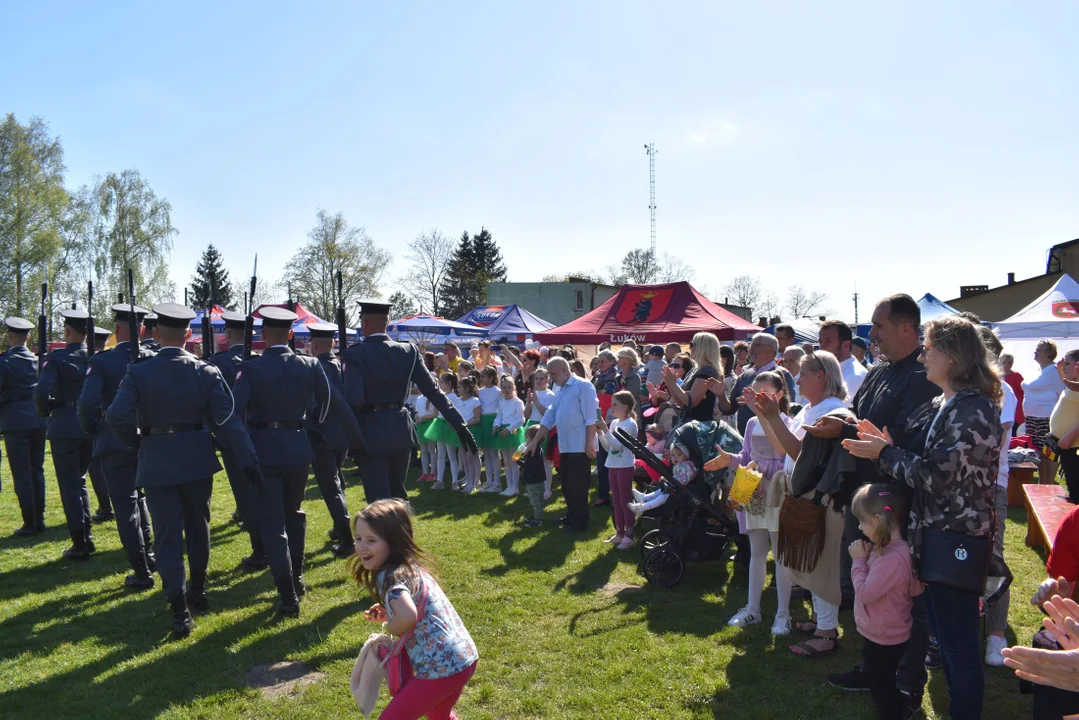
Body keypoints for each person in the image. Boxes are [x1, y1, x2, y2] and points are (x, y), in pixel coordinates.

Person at [844, 316, 1004, 720]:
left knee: (959, 647)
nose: (923, 355)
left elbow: (938, 477)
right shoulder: (945, 403)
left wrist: (883, 453)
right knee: (948, 644)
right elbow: (927, 462)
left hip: (955, 541)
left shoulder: (973, 409)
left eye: (930, 348)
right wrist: (886, 446)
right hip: (934, 539)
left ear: (953, 355)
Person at [816, 294, 940, 710]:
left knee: (899, 592)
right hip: (865, 494)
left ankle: (905, 683)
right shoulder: (880, 370)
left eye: (880, 327)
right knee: (865, 574)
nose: (874, 335)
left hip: (899, 498)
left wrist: (864, 434)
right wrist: (842, 422)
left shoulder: (922, 374)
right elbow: (861, 413)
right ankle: (873, 669)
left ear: (907, 328)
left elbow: (904, 434)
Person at [106, 303, 260, 637]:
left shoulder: (139, 371)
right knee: (198, 526)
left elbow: (115, 416)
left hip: (158, 457)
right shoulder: (205, 371)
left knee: (167, 535)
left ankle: (179, 608)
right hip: (195, 457)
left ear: (156, 334)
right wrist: (247, 457)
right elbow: (227, 420)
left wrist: (138, 442)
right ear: (189, 334)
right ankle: (198, 590)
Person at [233, 306, 363, 616]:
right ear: (291, 334)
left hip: (264, 449)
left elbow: (235, 412)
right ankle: (298, 576)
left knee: (273, 522)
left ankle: (288, 593)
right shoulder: (309, 365)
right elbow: (331, 401)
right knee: (294, 513)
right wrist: (311, 424)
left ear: (263, 336)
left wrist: (245, 448)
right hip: (296, 447)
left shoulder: (251, 368)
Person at [752, 350, 853, 659]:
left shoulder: (835, 412)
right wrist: (764, 415)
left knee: (821, 564)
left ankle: (826, 632)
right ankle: (820, 621)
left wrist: (770, 415)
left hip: (821, 501)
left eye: (803, 374)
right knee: (810, 563)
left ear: (820, 376)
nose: (796, 379)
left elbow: (800, 455)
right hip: (805, 498)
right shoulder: (811, 409)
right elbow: (783, 445)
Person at [352, 499, 478, 719]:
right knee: (439, 717)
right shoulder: (411, 568)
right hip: (463, 657)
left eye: (371, 540)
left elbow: (408, 615)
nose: (362, 546)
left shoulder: (388, 578)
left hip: (440, 668)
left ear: (393, 542)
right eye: (358, 538)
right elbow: (413, 605)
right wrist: (388, 610)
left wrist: (392, 625)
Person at [341, 301, 476, 501]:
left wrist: (348, 439)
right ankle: (401, 532)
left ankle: (383, 533)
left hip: (370, 431)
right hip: (400, 429)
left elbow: (353, 399)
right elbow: (434, 392)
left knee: (378, 499)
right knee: (398, 495)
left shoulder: (355, 354)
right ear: (387, 323)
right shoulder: (408, 352)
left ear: (365, 322)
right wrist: (460, 425)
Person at [705, 371, 795, 636]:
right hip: (753, 488)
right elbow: (746, 456)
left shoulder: (786, 422)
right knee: (756, 551)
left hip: (777, 491)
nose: (757, 400)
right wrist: (729, 459)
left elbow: (784, 457)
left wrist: (756, 463)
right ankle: (752, 609)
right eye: (754, 394)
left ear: (779, 395)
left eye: (763, 394)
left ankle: (783, 614)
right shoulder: (752, 423)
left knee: (781, 554)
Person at [76, 303, 157, 590]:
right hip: (150, 439)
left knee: (126, 506)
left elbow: (87, 404)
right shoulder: (154, 358)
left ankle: (142, 570)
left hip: (114, 440)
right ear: (144, 329)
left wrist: (94, 429)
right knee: (141, 499)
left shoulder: (102, 361)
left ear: (118, 330)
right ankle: (149, 555)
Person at [848, 484, 923, 720]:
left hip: (882, 637)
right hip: (891, 632)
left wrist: (859, 562)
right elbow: (915, 588)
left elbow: (866, 593)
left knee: (881, 688)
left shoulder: (889, 559)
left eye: (862, 521)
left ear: (878, 519)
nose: (859, 527)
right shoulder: (899, 550)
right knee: (887, 681)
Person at [206, 310, 266, 568]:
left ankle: (259, 550)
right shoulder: (260, 360)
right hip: (261, 433)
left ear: (228, 334)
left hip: (233, 438)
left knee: (246, 495)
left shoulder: (217, 362)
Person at [35, 309, 95, 561]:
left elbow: (41, 392)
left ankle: (79, 543)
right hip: (88, 426)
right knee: (80, 481)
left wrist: (46, 410)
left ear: (67, 331)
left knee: (70, 485)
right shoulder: (94, 357)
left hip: (64, 426)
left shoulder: (57, 358)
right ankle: (87, 537)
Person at [978, 326, 1017, 666]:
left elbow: (994, 442)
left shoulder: (1001, 390)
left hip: (992, 486)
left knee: (994, 557)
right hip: (962, 487)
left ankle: (996, 636)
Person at [524, 357, 598, 534]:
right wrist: (534, 442)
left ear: (565, 370)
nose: (551, 377)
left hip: (580, 446)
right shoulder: (560, 390)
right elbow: (549, 417)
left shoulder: (583, 386)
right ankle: (572, 515)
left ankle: (581, 521)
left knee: (578, 485)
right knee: (567, 484)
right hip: (564, 445)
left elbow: (591, 417)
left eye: (553, 373)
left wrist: (589, 442)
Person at [304, 323, 354, 557]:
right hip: (341, 432)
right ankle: (340, 525)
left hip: (322, 432)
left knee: (330, 485)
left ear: (314, 346)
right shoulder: (342, 366)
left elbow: (315, 403)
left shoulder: (315, 368)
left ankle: (346, 534)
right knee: (337, 479)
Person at [0, 317, 48, 536]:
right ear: (28, 337)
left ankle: (30, 522)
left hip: (15, 420)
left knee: (22, 472)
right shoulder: (39, 360)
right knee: (37, 469)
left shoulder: (4, 362)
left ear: (10, 337)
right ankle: (39, 518)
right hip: (38, 419)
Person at [716, 332, 796, 435]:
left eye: (756, 346)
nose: (750, 350)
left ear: (771, 350)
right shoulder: (744, 376)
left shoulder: (783, 375)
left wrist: (755, 402)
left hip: (771, 439)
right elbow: (729, 409)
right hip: (745, 439)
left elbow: (788, 410)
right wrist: (720, 394)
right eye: (750, 346)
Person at [595, 390, 638, 550]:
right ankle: (619, 533)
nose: (612, 407)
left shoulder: (630, 424)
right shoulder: (614, 423)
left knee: (625, 501)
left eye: (615, 404)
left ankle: (629, 535)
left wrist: (605, 429)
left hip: (625, 466)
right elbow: (608, 447)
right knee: (616, 501)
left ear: (626, 406)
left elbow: (619, 445)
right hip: (612, 465)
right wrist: (600, 433)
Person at [1022, 339, 1066, 484]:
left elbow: (1062, 394)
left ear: (1048, 353)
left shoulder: (1053, 371)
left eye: (1038, 349)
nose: (1035, 352)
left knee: (1049, 453)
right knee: (1039, 453)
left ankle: (1049, 485)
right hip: (1032, 419)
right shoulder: (1038, 371)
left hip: (1047, 419)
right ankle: (1043, 484)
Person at [662, 332, 721, 424]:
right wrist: (670, 383)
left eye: (692, 344)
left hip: (700, 427)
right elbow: (681, 403)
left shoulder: (707, 371)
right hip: (689, 424)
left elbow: (692, 402)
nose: (690, 348)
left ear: (702, 348)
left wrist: (673, 383)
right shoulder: (696, 369)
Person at [629, 442, 695, 514]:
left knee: (661, 498)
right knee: (660, 491)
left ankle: (641, 508)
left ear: (686, 455)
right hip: (674, 488)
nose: (675, 457)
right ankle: (644, 497)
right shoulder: (680, 465)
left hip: (680, 492)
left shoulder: (688, 466)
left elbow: (683, 480)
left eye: (679, 455)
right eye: (673, 455)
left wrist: (669, 479)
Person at [424, 373, 461, 490]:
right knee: (440, 454)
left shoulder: (454, 397)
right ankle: (439, 480)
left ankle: (455, 481)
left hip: (449, 426)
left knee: (451, 454)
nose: (439, 384)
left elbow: (457, 412)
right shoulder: (441, 395)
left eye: (441, 382)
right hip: (440, 425)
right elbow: (436, 411)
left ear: (449, 384)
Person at [591, 349, 619, 507]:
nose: (599, 364)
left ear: (611, 362)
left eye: (602, 361)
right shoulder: (597, 377)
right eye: (598, 361)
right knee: (601, 461)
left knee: (611, 459)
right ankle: (603, 494)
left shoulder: (616, 378)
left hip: (610, 421)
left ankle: (613, 493)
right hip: (598, 419)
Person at [818, 320, 868, 408]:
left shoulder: (855, 376)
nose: (822, 347)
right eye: (820, 341)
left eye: (827, 341)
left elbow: (832, 410)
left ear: (845, 345)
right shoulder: (829, 370)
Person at [1051, 349, 1079, 502]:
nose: (1064, 367)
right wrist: (1060, 371)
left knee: (1077, 494)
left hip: (1075, 447)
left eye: (1068, 364)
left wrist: (1068, 436)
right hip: (1068, 447)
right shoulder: (1074, 384)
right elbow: (1068, 383)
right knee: (1073, 490)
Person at [524, 368, 555, 498]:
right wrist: (529, 402)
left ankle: (547, 489)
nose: (539, 381)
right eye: (536, 378)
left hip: (543, 426)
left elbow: (546, 414)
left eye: (542, 378)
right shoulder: (533, 394)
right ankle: (534, 487)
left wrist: (535, 401)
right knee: (532, 458)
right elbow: (526, 415)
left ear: (548, 379)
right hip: (531, 425)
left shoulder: (550, 395)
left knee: (545, 460)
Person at [492, 375, 525, 497]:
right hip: (503, 431)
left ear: (514, 387)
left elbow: (521, 419)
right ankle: (509, 486)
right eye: (504, 387)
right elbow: (499, 416)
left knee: (513, 460)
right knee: (506, 461)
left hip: (513, 432)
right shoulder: (501, 402)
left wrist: (509, 429)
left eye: (509, 387)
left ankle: (515, 487)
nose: (507, 389)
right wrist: (496, 425)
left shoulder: (518, 402)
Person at [476, 366, 503, 493]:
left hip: (493, 421)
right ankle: (489, 481)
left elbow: (501, 408)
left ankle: (497, 482)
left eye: (483, 376)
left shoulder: (498, 391)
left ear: (491, 378)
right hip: (483, 421)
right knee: (486, 453)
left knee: (494, 453)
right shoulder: (480, 392)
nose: (480, 379)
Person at [455, 376, 483, 493]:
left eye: (460, 387)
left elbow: (477, 418)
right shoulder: (457, 400)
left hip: (472, 431)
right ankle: (469, 481)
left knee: (472, 457)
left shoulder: (475, 401)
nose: (458, 389)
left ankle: (474, 483)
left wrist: (465, 424)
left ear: (467, 388)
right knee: (464, 459)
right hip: (461, 431)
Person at [519, 424, 548, 527]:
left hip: (534, 480)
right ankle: (536, 515)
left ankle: (538, 520)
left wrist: (518, 461)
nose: (525, 439)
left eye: (527, 437)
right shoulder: (537, 450)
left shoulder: (533, 451)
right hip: (536, 479)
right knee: (535, 499)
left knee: (536, 501)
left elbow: (528, 466)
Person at [412, 385, 438, 483]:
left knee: (431, 449)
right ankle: (425, 472)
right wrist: (417, 417)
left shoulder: (432, 398)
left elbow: (435, 414)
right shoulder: (419, 398)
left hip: (430, 424)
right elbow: (418, 412)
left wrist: (424, 417)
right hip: (421, 425)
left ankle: (433, 472)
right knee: (423, 450)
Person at [1000, 353, 1024, 434]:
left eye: (1004, 362)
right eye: (1001, 362)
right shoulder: (999, 377)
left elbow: (1023, 393)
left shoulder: (1016, 376)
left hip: (1017, 412)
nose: (1001, 365)